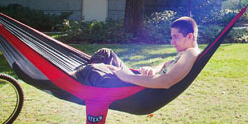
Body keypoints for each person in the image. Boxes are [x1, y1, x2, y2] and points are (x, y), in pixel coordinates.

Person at [72, 17, 200, 89]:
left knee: (92, 70)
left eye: (176, 37)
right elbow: (165, 65)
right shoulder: (184, 54)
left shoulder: (190, 54)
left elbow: (166, 81)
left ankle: (67, 80)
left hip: (136, 89)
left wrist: (125, 76)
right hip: (139, 81)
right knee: (106, 53)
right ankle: (87, 88)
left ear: (189, 36)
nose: (172, 42)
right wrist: (153, 69)